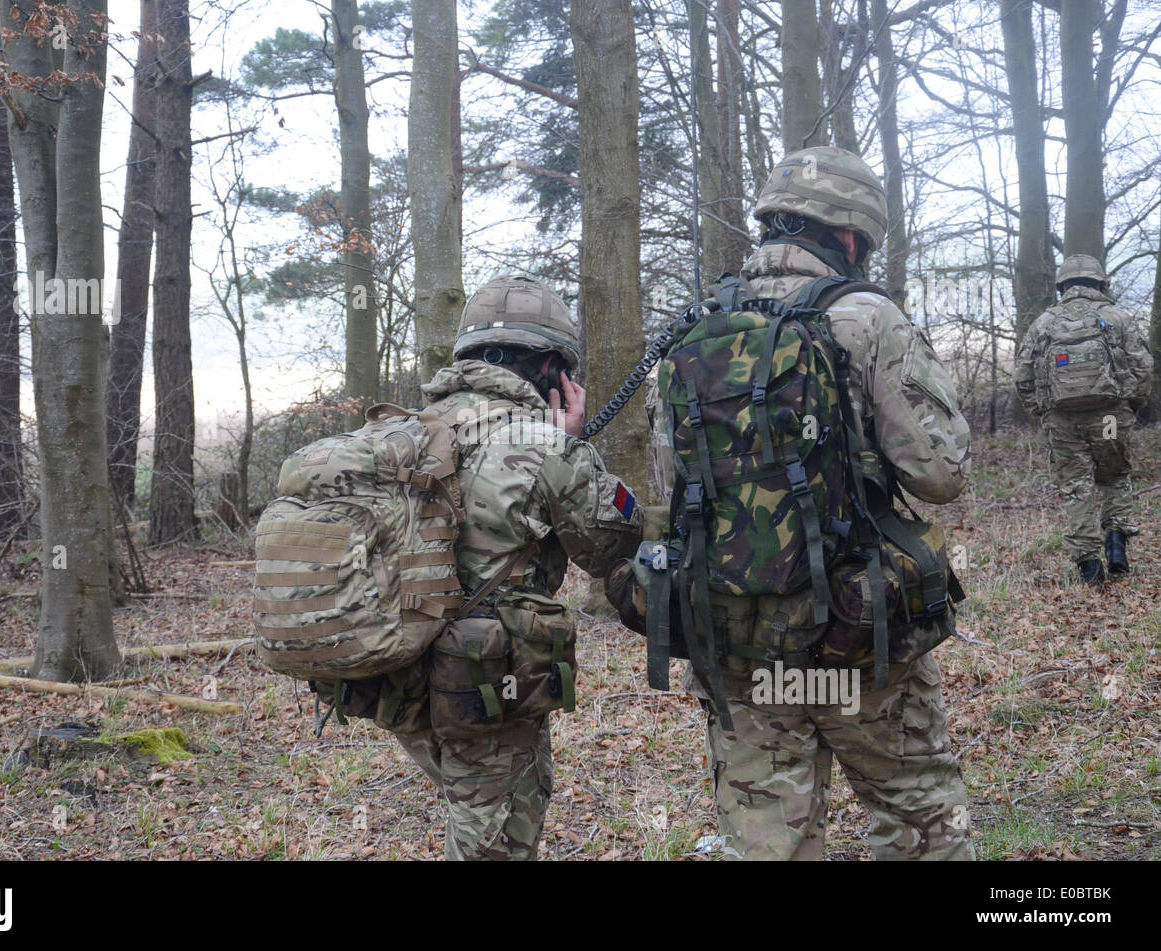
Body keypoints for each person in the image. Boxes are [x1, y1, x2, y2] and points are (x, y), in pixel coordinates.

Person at [620, 146, 975, 860]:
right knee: (921, 823)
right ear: (850, 237)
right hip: (858, 628)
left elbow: (673, 485)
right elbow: (940, 471)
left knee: (765, 843)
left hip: (737, 639)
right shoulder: (868, 319)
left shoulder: (689, 331)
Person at [396, 274, 643, 860]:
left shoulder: (404, 429)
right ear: (554, 370)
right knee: (496, 842)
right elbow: (611, 547)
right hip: (482, 682)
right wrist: (575, 448)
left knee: (470, 815)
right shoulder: (543, 443)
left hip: (395, 670)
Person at [1014, 254, 1153, 584]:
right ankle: (1116, 544)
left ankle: (1090, 567)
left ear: (1062, 287)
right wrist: (1129, 404)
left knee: (1077, 488)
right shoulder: (1117, 317)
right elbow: (1143, 368)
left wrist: (1044, 410)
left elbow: (1022, 376)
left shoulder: (1045, 322)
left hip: (1064, 422)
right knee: (1114, 476)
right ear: (1101, 283)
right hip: (1109, 417)